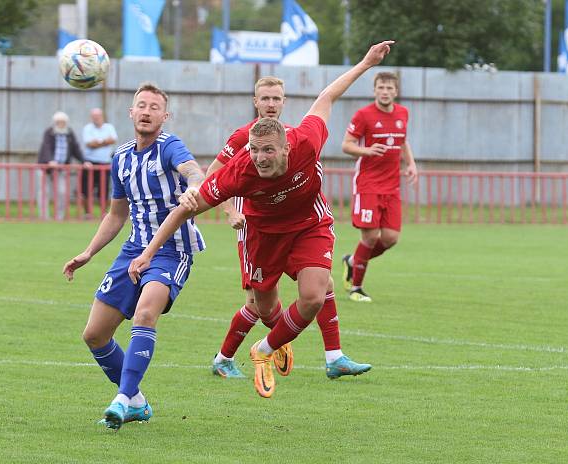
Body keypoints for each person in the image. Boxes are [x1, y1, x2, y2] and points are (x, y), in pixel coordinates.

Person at [128, 41, 395, 398]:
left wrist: (365, 63)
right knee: (265, 308)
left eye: (267, 151)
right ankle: (262, 346)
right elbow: (185, 210)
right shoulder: (240, 170)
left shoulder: (305, 140)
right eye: (254, 151)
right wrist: (148, 252)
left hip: (308, 225)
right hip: (263, 236)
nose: (259, 158)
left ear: (285, 147)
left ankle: (266, 350)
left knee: (316, 294)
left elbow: (327, 96)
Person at [206, 76, 371, 381]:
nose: (271, 104)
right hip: (255, 227)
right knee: (257, 305)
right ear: (255, 102)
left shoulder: (293, 138)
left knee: (324, 285)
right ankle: (225, 357)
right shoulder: (244, 137)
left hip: (298, 225)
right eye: (265, 98)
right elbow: (212, 176)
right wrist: (230, 212)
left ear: (284, 102)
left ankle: (333, 356)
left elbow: (325, 102)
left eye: (276, 99)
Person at [62, 83, 206, 429]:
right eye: (141, 105)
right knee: (94, 335)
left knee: (145, 313)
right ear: (130, 112)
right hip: (132, 251)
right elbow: (116, 215)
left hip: (172, 250)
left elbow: (193, 171)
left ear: (164, 116)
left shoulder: (170, 146)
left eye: (154, 107)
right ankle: (138, 401)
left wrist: (195, 186)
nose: (146, 111)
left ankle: (122, 399)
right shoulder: (122, 158)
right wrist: (89, 252)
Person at [340, 71, 418, 302]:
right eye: (381, 88)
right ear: (374, 90)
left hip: (392, 185)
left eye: (389, 88)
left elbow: (402, 141)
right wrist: (368, 150)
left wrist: (411, 164)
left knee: (391, 238)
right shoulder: (363, 115)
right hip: (368, 184)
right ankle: (356, 288)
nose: (385, 92)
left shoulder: (403, 113)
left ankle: (353, 261)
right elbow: (346, 145)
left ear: (396, 91)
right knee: (371, 237)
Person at [37, 111, 84, 220]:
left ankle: (59, 217)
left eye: (63, 122)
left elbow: (75, 148)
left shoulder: (69, 133)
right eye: (58, 122)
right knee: (44, 192)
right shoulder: (49, 132)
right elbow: (46, 147)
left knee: (62, 192)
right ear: (54, 122)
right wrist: (50, 160)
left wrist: (84, 161)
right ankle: (44, 217)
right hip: (45, 167)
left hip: (61, 168)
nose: (60, 124)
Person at [80, 108, 118, 219]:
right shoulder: (87, 128)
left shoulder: (109, 127)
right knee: (86, 189)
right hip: (90, 163)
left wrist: (98, 141)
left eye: (98, 116)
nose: (96, 118)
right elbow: (90, 144)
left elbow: (113, 140)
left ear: (102, 116)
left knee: (105, 189)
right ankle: (87, 213)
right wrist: (104, 141)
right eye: (94, 116)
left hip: (105, 163)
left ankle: (103, 213)